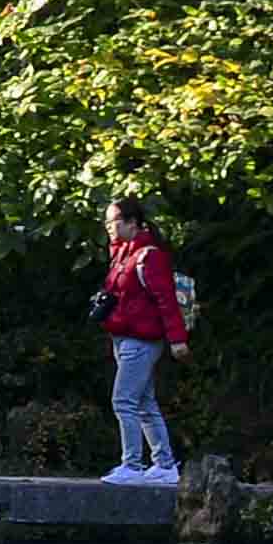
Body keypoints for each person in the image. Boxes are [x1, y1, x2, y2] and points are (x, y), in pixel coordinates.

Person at [95, 192, 188, 484]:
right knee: (145, 402)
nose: (108, 226)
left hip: (142, 340)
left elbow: (166, 300)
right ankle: (164, 465)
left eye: (114, 221)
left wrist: (177, 339)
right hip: (123, 339)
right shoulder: (122, 254)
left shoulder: (149, 257)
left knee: (124, 401)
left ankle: (132, 465)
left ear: (132, 222)